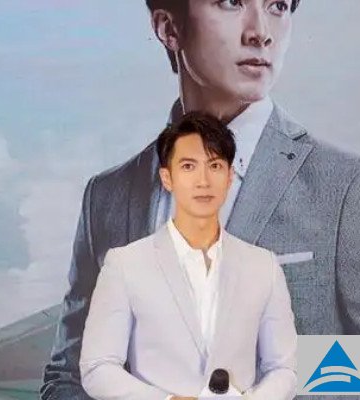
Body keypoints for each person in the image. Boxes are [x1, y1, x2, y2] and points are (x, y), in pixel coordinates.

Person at [41, 1, 360, 399]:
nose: (260, 33)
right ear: (168, 27)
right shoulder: (107, 196)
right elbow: (69, 377)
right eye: (231, 2)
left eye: (278, 6)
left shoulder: (356, 187)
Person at [79, 112, 297, 400]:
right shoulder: (125, 265)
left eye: (215, 166)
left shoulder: (263, 266)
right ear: (167, 178)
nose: (203, 180)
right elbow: (97, 368)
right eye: (188, 166)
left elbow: (284, 368)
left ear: (229, 177)